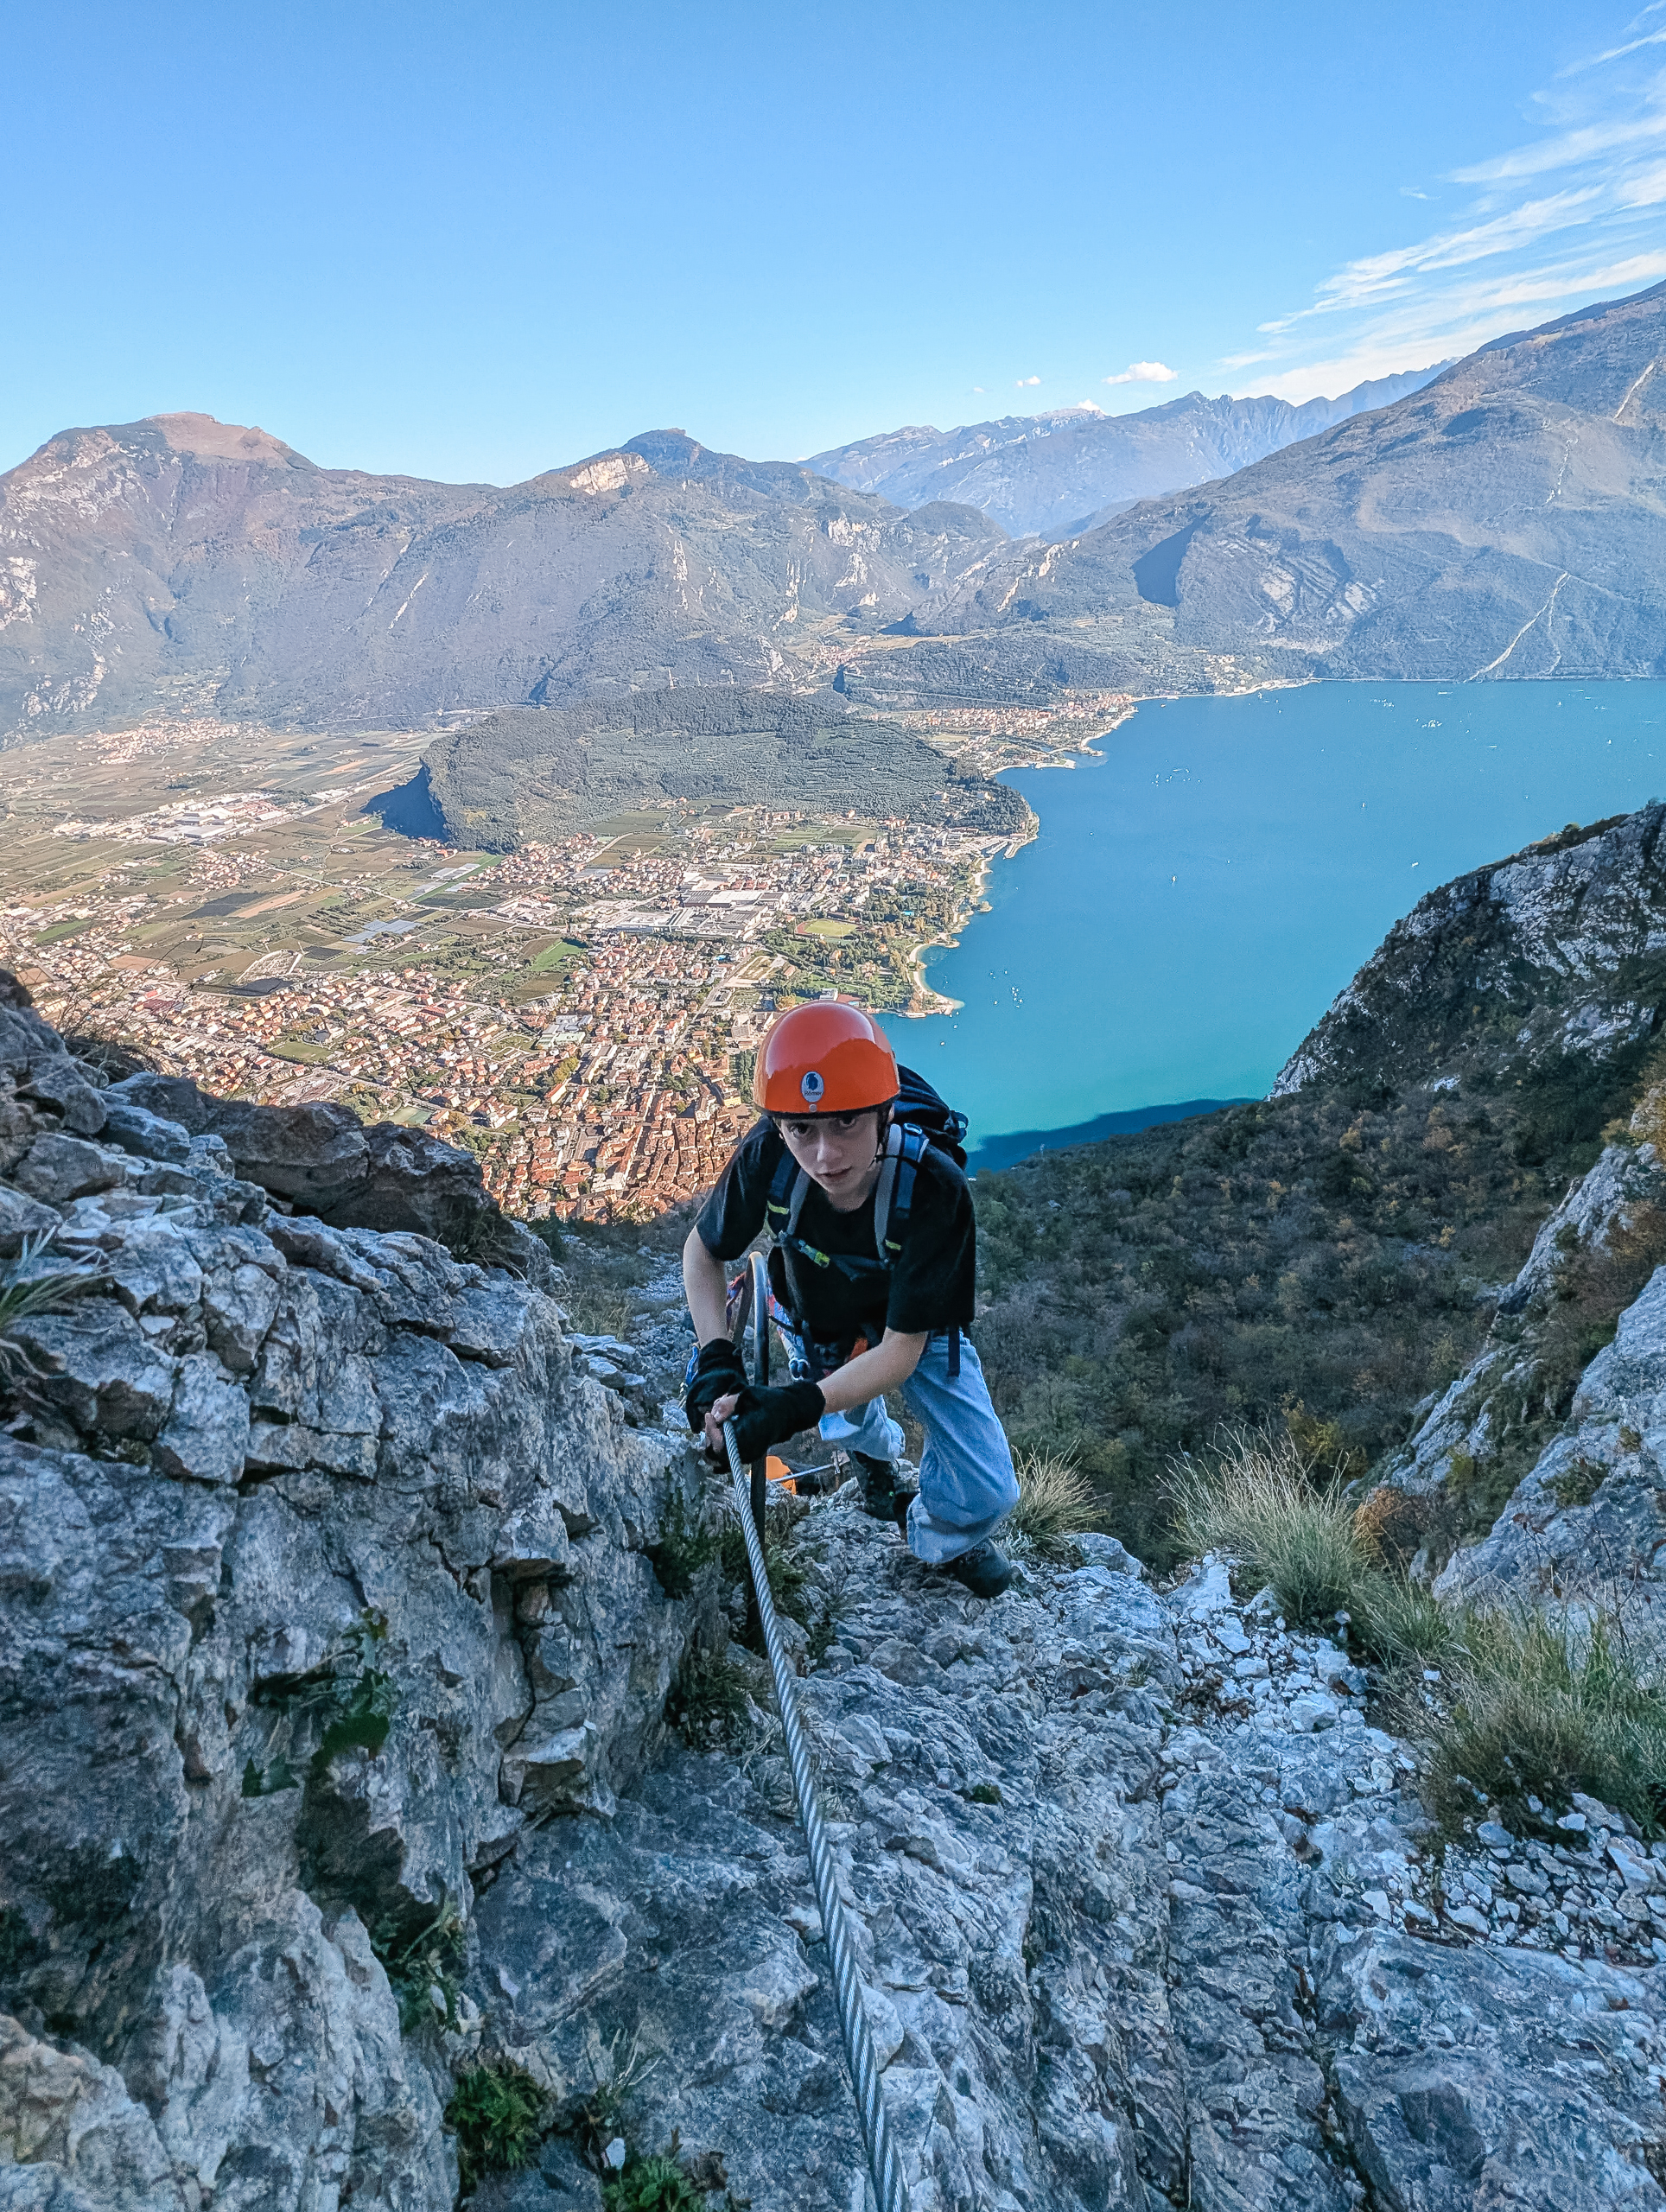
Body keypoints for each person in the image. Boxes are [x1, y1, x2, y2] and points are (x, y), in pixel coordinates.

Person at [682, 999, 1020, 1599]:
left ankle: (939, 1530)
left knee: (988, 1486)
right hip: (819, 1319)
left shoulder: (933, 1187)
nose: (825, 1155)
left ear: (884, 1114)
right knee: (850, 1424)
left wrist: (795, 1405)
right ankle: (875, 1468)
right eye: (802, 1130)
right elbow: (702, 1252)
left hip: (916, 1326)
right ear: (780, 1126)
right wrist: (715, 1358)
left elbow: (900, 1353)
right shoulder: (769, 1157)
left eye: (846, 1123)